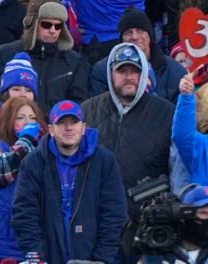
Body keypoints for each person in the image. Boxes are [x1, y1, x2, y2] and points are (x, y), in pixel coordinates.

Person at [11, 99, 127, 264]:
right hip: (48, 257)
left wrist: (102, 258)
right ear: (51, 129)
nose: (68, 128)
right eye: (62, 122)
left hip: (93, 256)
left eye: (74, 121)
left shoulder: (104, 160)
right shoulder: (33, 162)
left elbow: (114, 213)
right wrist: (35, 256)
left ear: (83, 127)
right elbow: (24, 213)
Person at [82, 41, 174, 186]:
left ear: (144, 73)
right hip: (95, 204)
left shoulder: (167, 113)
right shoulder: (87, 110)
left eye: (135, 71)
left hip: (145, 205)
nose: (129, 77)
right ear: (110, 73)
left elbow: (178, 168)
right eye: (122, 70)